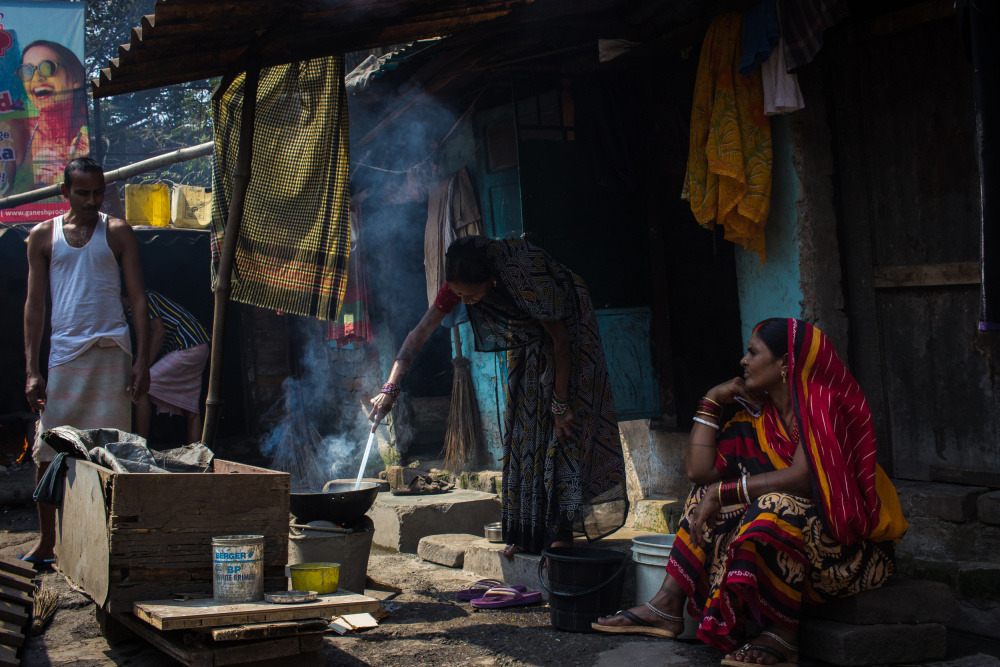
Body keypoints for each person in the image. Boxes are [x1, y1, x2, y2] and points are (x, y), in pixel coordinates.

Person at [594, 318, 908, 666]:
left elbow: (804, 477)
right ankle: (667, 604)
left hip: (850, 554)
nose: (743, 361)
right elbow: (698, 471)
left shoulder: (823, 402)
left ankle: (782, 633)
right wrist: (712, 400)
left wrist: (727, 492)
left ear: (785, 364)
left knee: (773, 505)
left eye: (753, 352)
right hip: (800, 544)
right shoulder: (761, 417)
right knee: (704, 495)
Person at [369, 235, 628, 556]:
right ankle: (528, 532)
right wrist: (389, 389)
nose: (464, 300)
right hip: (531, 342)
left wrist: (560, 406)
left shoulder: (523, 279)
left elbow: (560, 341)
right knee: (523, 430)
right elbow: (418, 334)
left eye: (470, 293)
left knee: (562, 435)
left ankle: (562, 532)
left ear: (491, 279)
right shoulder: (458, 288)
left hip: (568, 338)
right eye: (458, 293)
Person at [22, 157, 149, 566]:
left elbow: (139, 300)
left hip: (113, 354)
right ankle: (47, 543)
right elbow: (34, 307)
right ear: (66, 193)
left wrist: (142, 360)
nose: (92, 200)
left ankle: (111, 545)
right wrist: (31, 369)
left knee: (113, 453)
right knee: (47, 451)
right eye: (83, 193)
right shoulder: (43, 236)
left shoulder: (118, 233)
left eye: (98, 192)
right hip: (64, 357)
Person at [122, 290, 210, 445]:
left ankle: (141, 447)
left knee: (141, 385)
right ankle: (199, 461)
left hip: (188, 346)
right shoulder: (130, 314)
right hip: (198, 345)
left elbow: (159, 332)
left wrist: (143, 365)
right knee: (192, 409)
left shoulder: (141, 299)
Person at [14, 40, 89, 190]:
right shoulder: (18, 133)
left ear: (74, 78)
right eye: (27, 71)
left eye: (48, 67)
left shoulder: (87, 138)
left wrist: (63, 180)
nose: (37, 78)